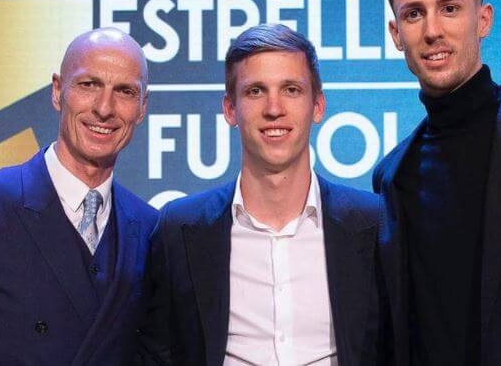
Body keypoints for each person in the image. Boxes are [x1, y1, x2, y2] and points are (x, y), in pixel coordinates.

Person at [139, 24, 385, 365]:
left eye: (291, 90)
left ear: (317, 106)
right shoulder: (179, 230)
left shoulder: (374, 224)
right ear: (229, 109)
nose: (274, 108)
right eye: (256, 91)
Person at [374, 0, 501, 366]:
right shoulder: (393, 178)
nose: (432, 30)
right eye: (414, 14)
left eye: (449, 8)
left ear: (484, 19)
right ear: (396, 34)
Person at [0, 28, 158, 365]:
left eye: (125, 91)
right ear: (58, 91)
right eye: (89, 85)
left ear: (142, 108)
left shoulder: (151, 229)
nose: (104, 108)